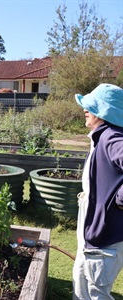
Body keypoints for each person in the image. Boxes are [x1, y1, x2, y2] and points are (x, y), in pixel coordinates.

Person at [73, 83, 123, 300]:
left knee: (96, 293)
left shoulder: (112, 137)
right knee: (84, 282)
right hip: (97, 231)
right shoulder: (101, 136)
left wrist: (119, 199)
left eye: (91, 107)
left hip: (106, 236)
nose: (85, 109)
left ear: (105, 111)